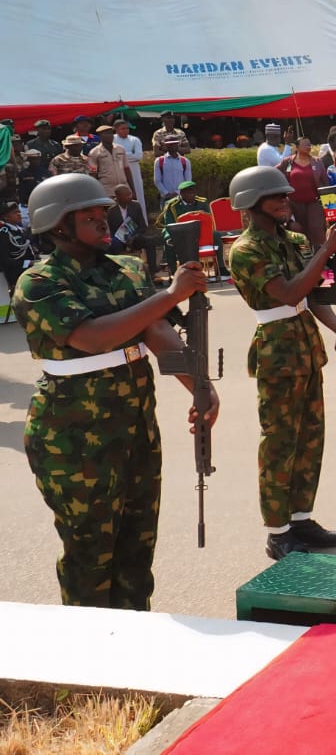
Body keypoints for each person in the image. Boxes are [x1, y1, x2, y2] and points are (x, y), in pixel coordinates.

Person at [13, 174, 217, 608]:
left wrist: (199, 386)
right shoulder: (38, 283)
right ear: (59, 227)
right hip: (73, 440)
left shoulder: (128, 269)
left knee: (136, 548)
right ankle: (90, 660)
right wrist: (171, 293)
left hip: (135, 428)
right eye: (88, 217)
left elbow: (156, 329)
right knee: (91, 553)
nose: (103, 222)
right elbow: (92, 337)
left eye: (102, 213)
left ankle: (133, 638)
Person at [225, 166, 336, 560]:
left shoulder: (294, 241)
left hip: (305, 346)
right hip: (277, 353)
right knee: (280, 443)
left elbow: (312, 298)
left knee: (309, 439)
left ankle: (301, 518)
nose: (285, 202)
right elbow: (290, 291)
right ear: (251, 204)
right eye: (276, 197)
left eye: (285, 196)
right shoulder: (245, 250)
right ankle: (278, 532)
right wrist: (326, 251)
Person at [279, 138, 327, 250]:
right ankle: (305, 256)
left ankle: (321, 254)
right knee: (299, 229)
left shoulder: (317, 161)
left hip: (314, 202)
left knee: (316, 228)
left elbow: (325, 181)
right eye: (305, 144)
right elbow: (275, 172)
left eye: (310, 144)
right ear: (297, 147)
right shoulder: (288, 162)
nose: (309, 146)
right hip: (294, 203)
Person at [107, 184, 163, 280]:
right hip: (118, 241)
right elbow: (110, 230)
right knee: (112, 246)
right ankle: (119, 276)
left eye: (130, 194)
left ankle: (152, 272)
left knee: (150, 241)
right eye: (127, 195)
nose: (131, 196)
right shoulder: (110, 210)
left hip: (134, 238)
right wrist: (120, 238)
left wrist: (134, 237)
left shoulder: (135, 205)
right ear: (118, 197)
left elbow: (142, 226)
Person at [111, 117, 147, 223]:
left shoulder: (134, 140)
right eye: (123, 128)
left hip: (134, 170)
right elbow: (113, 156)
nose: (126, 131)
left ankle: (142, 221)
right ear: (116, 129)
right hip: (118, 169)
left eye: (127, 128)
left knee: (137, 195)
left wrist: (121, 155)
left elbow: (138, 156)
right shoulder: (112, 139)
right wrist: (128, 154)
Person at [1, 200, 38, 291]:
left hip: (27, 273)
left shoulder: (21, 231)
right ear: (5, 217)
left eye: (19, 212)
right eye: (14, 213)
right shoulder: (4, 234)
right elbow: (4, 261)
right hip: (14, 276)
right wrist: (27, 263)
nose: (19, 214)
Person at [86, 126, 130, 193]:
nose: (110, 136)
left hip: (123, 188)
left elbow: (126, 169)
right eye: (107, 134)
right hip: (106, 189)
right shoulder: (94, 152)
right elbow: (93, 174)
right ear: (100, 136)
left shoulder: (120, 149)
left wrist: (133, 189)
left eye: (111, 133)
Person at [152, 135, 192, 202]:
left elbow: (188, 180)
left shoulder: (185, 161)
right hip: (165, 198)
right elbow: (157, 180)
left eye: (175, 144)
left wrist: (177, 192)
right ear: (166, 146)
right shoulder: (159, 161)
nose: (173, 146)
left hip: (181, 197)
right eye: (170, 144)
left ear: (178, 144)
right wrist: (166, 193)